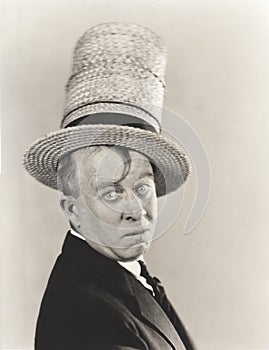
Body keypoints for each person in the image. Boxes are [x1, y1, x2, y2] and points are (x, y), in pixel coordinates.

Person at [23, 22, 196, 349]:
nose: (136, 212)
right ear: (73, 210)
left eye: (142, 188)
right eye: (112, 192)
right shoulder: (84, 313)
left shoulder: (124, 277)